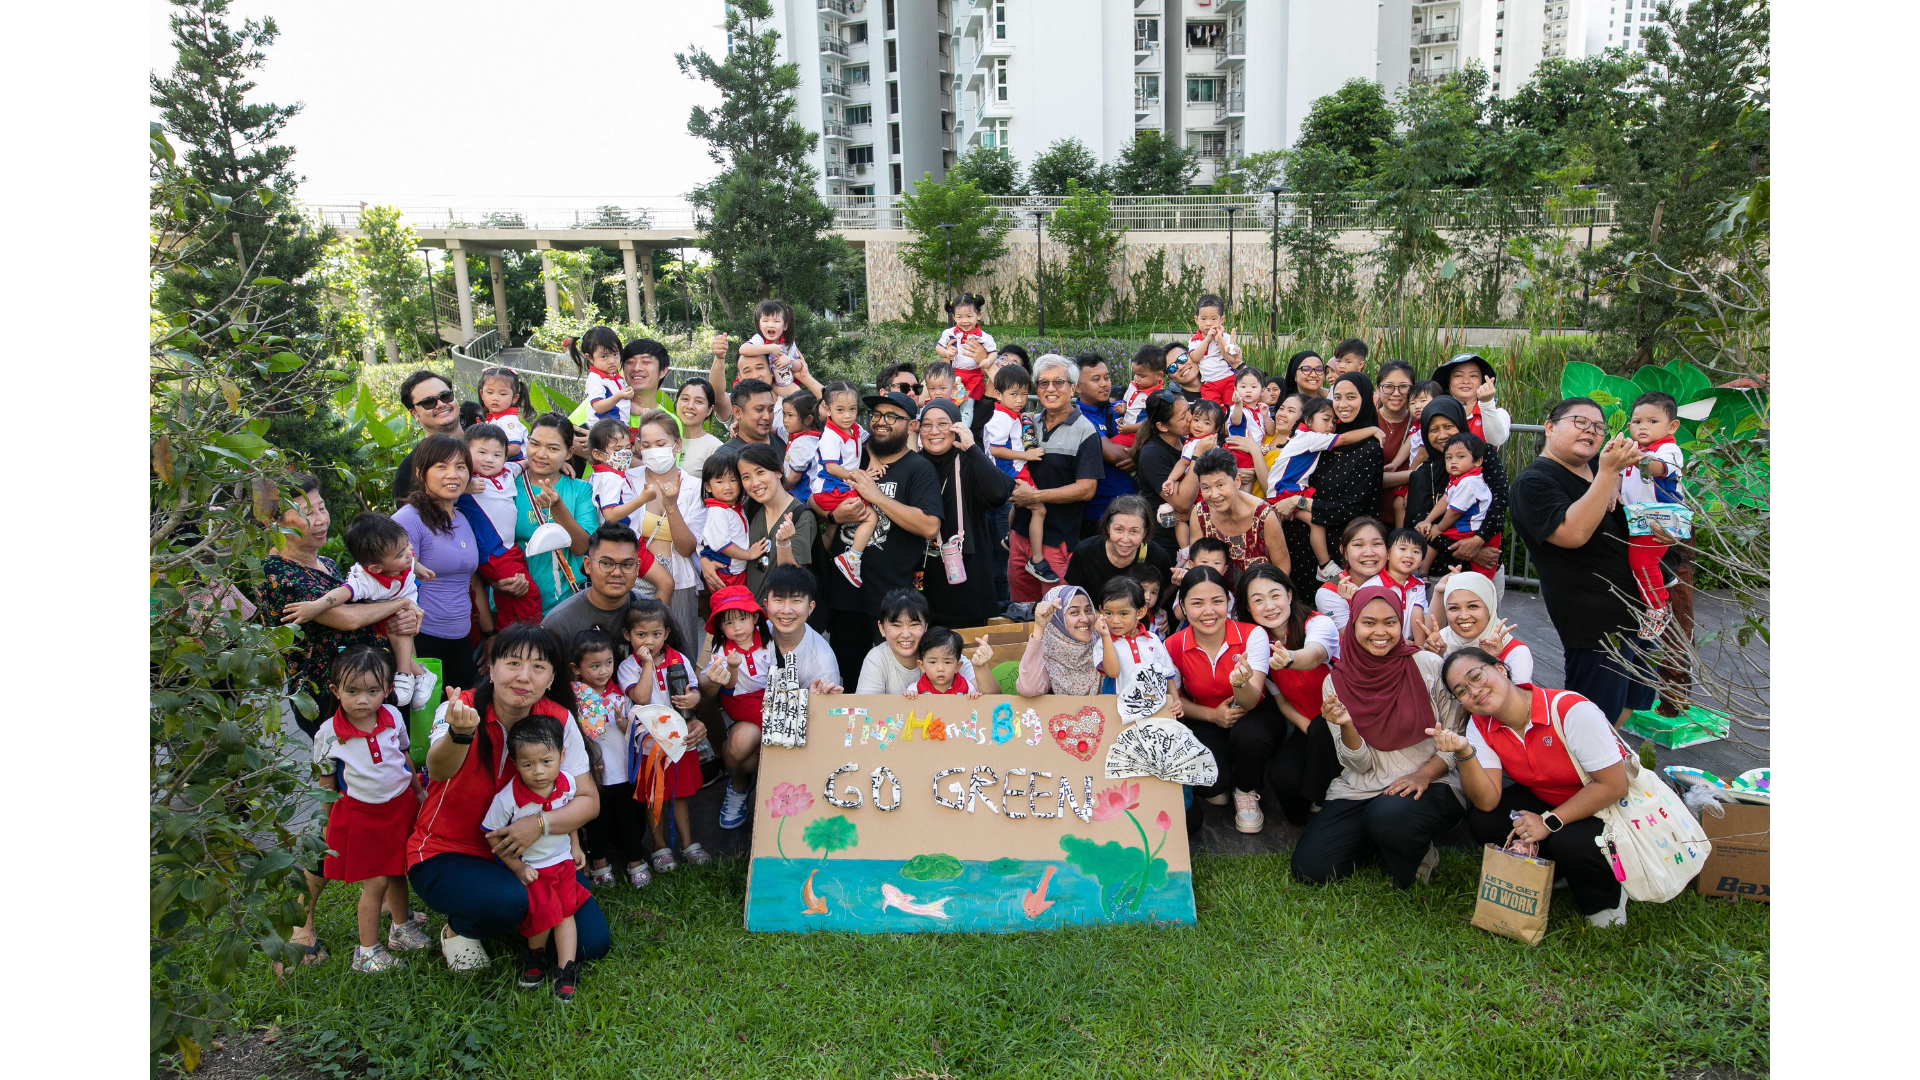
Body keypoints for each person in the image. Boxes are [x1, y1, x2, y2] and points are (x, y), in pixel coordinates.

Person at [408, 624, 625, 972]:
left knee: (590, 944)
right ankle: (460, 928)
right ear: (491, 668)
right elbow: (438, 770)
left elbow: (588, 800)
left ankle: (515, 910)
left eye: (538, 666)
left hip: (537, 854)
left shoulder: (558, 718)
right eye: (512, 663)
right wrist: (460, 734)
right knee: (509, 903)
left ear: (552, 677)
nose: (524, 677)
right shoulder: (461, 707)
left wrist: (539, 824)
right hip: (450, 849)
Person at [1436, 647, 1633, 927]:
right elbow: (1487, 801)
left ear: (1501, 669)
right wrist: (1463, 752)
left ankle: (1607, 895)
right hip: (1551, 799)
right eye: (1462, 691)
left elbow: (1614, 785)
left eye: (1477, 676)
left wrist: (1548, 821)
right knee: (1486, 821)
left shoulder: (1569, 709)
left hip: (1608, 807)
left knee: (1569, 839)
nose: (1474, 691)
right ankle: (1562, 870)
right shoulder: (1480, 725)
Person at [1290, 587, 1464, 889]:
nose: (1380, 632)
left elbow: (1456, 740)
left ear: (1401, 623)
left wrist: (1423, 775)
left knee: (1388, 817)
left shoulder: (1428, 666)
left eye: (1390, 622)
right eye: (1369, 622)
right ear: (1353, 624)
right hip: (1363, 786)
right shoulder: (1337, 681)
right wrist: (1346, 725)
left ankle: (1415, 846)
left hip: (1432, 781)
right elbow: (1357, 763)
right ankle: (1380, 836)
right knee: (1312, 869)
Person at [1509, 397, 1658, 724]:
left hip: (1638, 610)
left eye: (1598, 427)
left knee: (1631, 699)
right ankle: (1581, 773)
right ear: (1549, 427)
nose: (1591, 430)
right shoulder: (1533, 482)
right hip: (1594, 620)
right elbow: (1572, 533)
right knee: (1589, 718)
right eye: (1580, 422)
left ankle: (1610, 765)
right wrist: (1608, 473)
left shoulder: (1598, 472)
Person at [262, 475, 420, 732]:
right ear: (273, 523)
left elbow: (369, 605)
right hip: (330, 695)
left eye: (321, 508)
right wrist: (401, 602)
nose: (321, 519)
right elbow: (348, 618)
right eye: (307, 513)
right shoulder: (277, 572)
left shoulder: (327, 563)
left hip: (369, 685)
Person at [309, 646, 426, 974]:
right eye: (353, 691)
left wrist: (418, 793)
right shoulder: (328, 734)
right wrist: (325, 820)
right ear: (335, 691)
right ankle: (367, 952)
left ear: (388, 690)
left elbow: (404, 757)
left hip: (400, 807)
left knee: (399, 870)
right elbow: (327, 780)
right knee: (375, 885)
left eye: (373, 691)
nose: (363, 700)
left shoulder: (393, 718)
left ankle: (401, 929)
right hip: (362, 817)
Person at [821, 391, 945, 685]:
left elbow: (930, 526)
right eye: (877, 415)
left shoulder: (919, 469)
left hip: (890, 602)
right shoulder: (854, 458)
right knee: (847, 680)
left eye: (892, 416)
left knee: (891, 685)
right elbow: (817, 495)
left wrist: (875, 496)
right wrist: (834, 516)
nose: (880, 422)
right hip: (844, 596)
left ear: (910, 425)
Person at [717, 566, 843, 830]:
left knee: (780, 753)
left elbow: (822, 726)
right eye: (779, 600)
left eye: (796, 601)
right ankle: (740, 786)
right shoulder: (747, 630)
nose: (786, 610)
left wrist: (818, 700)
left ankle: (787, 797)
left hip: (799, 734)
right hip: (755, 719)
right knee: (739, 742)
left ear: (811, 607)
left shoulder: (822, 661)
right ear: (765, 604)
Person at [279, 511, 437, 708]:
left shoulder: (397, 558)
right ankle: (414, 674)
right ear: (376, 568)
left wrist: (417, 568)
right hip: (382, 617)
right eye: (309, 512)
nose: (409, 552)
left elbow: (409, 559)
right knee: (395, 625)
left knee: (398, 626)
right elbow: (341, 595)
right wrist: (315, 606)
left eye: (321, 507)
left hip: (396, 614)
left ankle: (408, 673)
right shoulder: (366, 580)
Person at [482, 715, 590, 1000]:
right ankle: (534, 957)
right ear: (515, 763)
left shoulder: (566, 782)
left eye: (546, 761)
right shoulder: (508, 799)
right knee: (541, 917)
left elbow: (569, 819)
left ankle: (566, 969)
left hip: (564, 864)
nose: (539, 771)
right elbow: (493, 835)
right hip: (533, 869)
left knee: (566, 914)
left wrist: (576, 846)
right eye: (528, 764)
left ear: (562, 755)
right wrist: (517, 867)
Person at [1237, 565, 1342, 828]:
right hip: (1308, 725)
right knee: (1283, 779)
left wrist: (1290, 658)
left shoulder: (1318, 623)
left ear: (1290, 595)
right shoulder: (1257, 641)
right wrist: (1307, 727)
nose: (1269, 606)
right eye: (1258, 600)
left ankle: (1333, 806)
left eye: (1275, 595)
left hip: (1343, 721)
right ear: (1248, 608)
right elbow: (1281, 699)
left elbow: (1315, 654)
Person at [616, 598, 709, 872]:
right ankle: (659, 847)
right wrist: (647, 664)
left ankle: (688, 843)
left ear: (666, 634)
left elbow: (693, 691)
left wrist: (694, 700)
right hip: (649, 743)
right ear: (627, 635)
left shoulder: (678, 659)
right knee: (654, 795)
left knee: (680, 794)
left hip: (679, 738)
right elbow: (641, 697)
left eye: (656, 634)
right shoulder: (628, 667)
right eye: (641, 635)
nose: (649, 641)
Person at [1163, 567, 1266, 814]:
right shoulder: (1172, 645)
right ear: (1184, 608)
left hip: (1252, 714)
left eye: (1217, 601)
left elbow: (1251, 702)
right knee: (1213, 787)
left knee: (1251, 737)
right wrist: (1212, 716)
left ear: (1229, 603)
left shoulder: (1252, 635)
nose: (1209, 612)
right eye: (1197, 603)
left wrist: (1240, 683)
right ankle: (1228, 777)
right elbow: (1175, 702)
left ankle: (1246, 789)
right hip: (1203, 715)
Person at [391, 435, 482, 688]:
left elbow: (470, 580)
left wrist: (489, 632)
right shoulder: (408, 519)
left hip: (462, 638)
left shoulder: (462, 517)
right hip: (423, 638)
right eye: (441, 466)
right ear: (421, 473)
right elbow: (396, 582)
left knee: (459, 718)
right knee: (427, 723)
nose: (453, 474)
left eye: (460, 467)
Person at [916, 397, 1015, 629]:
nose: (934, 431)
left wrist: (972, 448)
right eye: (927, 425)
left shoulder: (969, 461)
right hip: (922, 577)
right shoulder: (914, 465)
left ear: (957, 427)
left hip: (967, 579)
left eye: (943, 424)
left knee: (968, 654)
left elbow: (999, 494)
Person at [568, 629, 649, 889]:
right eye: (594, 666)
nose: (603, 671)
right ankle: (600, 863)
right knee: (596, 820)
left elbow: (631, 731)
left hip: (623, 770)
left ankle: (635, 860)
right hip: (592, 774)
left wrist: (624, 723)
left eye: (608, 663)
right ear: (576, 668)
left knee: (630, 818)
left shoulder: (620, 694)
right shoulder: (574, 700)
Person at [1404, 396, 1508, 591]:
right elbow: (1417, 522)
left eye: (1449, 426)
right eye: (1434, 430)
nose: (1442, 435)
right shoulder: (1424, 473)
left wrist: (1478, 541)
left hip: (1487, 560)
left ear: (1460, 424)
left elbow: (1500, 502)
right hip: (1440, 572)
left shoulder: (1482, 456)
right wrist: (1468, 550)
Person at [627, 410, 706, 642]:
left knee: (681, 649)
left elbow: (687, 548)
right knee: (638, 647)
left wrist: (672, 507)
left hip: (680, 578)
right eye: (647, 445)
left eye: (661, 443)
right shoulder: (627, 480)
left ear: (677, 444)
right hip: (636, 576)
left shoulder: (695, 487)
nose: (653, 451)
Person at [540, 523, 674, 660]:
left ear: (637, 567)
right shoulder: (559, 624)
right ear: (587, 565)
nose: (617, 572)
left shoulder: (657, 617)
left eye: (627, 565)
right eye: (606, 563)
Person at [514, 413, 599, 618]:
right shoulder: (509, 486)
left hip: (566, 606)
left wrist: (557, 506)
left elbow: (581, 546)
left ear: (569, 452)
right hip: (516, 603)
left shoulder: (580, 490)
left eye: (553, 448)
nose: (541, 454)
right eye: (535, 444)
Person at [1305, 372, 1387, 585]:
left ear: (1367, 399)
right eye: (1338, 397)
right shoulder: (1326, 437)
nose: (1342, 404)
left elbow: (1352, 509)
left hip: (1338, 550)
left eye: (1351, 397)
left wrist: (1299, 503)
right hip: (1302, 543)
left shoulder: (1370, 449)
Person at [462, 423, 542, 632]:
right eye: (482, 452)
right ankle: (532, 636)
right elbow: (438, 489)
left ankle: (507, 635)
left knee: (508, 596)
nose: (490, 459)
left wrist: (559, 464)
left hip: (509, 548)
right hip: (492, 551)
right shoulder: (466, 479)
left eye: (497, 454)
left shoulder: (507, 472)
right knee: (528, 592)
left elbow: (525, 463)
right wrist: (464, 488)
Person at [1620, 390, 1686, 637]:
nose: (1643, 427)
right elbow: (1618, 476)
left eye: (1652, 421)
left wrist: (1633, 457)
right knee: (1640, 559)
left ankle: (1657, 608)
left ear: (1672, 426)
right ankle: (1664, 578)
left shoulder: (1667, 449)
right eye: (1637, 422)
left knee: (1642, 561)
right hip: (1636, 516)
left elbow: (1658, 470)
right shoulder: (1633, 448)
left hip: (1660, 516)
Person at [983, 363, 1054, 585]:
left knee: (1019, 505)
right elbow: (995, 449)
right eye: (1013, 394)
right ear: (998, 394)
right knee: (1039, 508)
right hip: (1010, 472)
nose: (1019, 400)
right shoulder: (1001, 417)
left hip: (1012, 470)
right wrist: (1027, 456)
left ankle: (1009, 537)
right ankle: (1037, 559)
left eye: (1024, 394)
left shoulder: (1008, 413)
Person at [854, 589, 996, 694]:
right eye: (896, 625)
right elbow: (867, 707)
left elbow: (993, 697)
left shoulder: (944, 651)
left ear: (926, 625)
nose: (906, 634)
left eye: (914, 624)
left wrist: (980, 666)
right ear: (882, 628)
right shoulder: (876, 659)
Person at [1419, 570, 1534, 686]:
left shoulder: (1516, 653)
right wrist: (1434, 660)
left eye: (1472, 606)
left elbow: (1520, 700)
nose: (1463, 616)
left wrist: (1489, 661)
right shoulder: (1440, 642)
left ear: (1489, 608)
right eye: (1454, 608)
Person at [813, 380, 877, 586]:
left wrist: (874, 461)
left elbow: (869, 443)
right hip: (831, 489)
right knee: (871, 516)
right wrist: (857, 477)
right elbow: (831, 467)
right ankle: (852, 559)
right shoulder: (831, 436)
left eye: (852, 409)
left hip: (839, 487)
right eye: (840, 410)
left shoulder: (854, 428)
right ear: (827, 409)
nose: (848, 415)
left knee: (832, 528)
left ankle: (821, 563)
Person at [1186, 448, 1287, 579]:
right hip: (1216, 594)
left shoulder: (1263, 515)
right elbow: (1197, 562)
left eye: (1220, 485)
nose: (1214, 494)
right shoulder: (1200, 514)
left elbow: (1282, 567)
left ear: (1237, 481)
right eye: (1206, 488)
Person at [736, 443, 817, 598]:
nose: (754, 483)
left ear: (779, 471)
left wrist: (783, 543)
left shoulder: (802, 516)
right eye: (746, 477)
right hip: (747, 613)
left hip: (778, 616)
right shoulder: (748, 509)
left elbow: (793, 578)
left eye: (760, 472)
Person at [1414, 432, 1498, 578]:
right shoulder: (1459, 479)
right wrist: (1428, 520)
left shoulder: (1468, 483)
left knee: (1434, 538)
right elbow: (1445, 499)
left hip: (1471, 528)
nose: (1453, 461)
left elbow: (1454, 512)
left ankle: (1422, 573)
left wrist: (1438, 528)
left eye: (1460, 457)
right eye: (1449, 457)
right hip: (1465, 526)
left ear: (1477, 461)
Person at [1065, 496, 1174, 603]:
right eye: (1119, 529)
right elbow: (1071, 593)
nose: (1125, 539)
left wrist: (1154, 611)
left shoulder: (1157, 556)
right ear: (1108, 528)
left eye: (1134, 531)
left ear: (1144, 533)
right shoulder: (1085, 552)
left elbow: (1167, 587)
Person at [1131, 390, 1196, 565]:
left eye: (1189, 411)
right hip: (1164, 539)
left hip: (1193, 531)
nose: (1190, 418)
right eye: (1183, 417)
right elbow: (1181, 503)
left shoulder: (1188, 441)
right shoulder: (1152, 454)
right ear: (1162, 426)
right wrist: (1197, 458)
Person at [1075, 352, 1136, 537]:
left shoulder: (1120, 409)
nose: (1104, 384)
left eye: (1107, 378)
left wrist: (1140, 456)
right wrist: (1142, 455)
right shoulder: (1078, 418)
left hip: (1132, 509)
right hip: (1098, 514)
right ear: (1077, 387)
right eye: (1096, 379)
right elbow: (1114, 455)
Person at [1095, 577, 1178, 711]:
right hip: (1118, 712)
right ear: (1101, 610)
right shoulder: (1102, 643)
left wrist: (1175, 701)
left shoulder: (1153, 639)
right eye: (1108, 613)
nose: (1115, 620)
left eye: (1123, 613)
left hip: (1154, 709)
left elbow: (1167, 674)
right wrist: (1105, 637)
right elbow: (1113, 672)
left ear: (1140, 612)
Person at [1012, 585, 1105, 698]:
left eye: (1088, 610)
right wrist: (1039, 627)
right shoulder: (1047, 652)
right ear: (1057, 619)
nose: (1085, 619)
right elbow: (1028, 689)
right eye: (1074, 612)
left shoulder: (1102, 643)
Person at [393, 371, 463, 502]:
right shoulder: (411, 468)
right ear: (414, 414)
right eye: (429, 402)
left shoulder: (489, 440)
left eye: (446, 396)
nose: (441, 404)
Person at [1315, 517, 1391, 630]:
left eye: (1377, 544)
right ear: (1344, 552)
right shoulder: (1329, 593)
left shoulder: (1402, 580)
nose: (1369, 553)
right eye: (1358, 545)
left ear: (1388, 550)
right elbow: (1352, 639)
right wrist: (1358, 600)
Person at [698, 451, 757, 591]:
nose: (728, 486)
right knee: (732, 610)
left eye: (733, 480)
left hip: (735, 570)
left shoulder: (733, 507)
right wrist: (748, 554)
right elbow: (721, 544)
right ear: (708, 487)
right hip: (726, 573)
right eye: (720, 481)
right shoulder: (718, 511)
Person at [1430, 353, 1511, 448]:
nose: (1465, 381)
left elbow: (1496, 441)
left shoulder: (1498, 413)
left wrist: (1487, 403)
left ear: (1482, 382)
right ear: (1448, 381)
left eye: (1473, 376)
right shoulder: (1435, 412)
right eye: (1458, 376)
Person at [1373, 360, 1418, 523]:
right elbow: (1366, 478)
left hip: (1413, 514)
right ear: (1378, 388)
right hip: (1372, 516)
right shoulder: (1368, 422)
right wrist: (1417, 475)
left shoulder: (1422, 423)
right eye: (1389, 386)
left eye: (1404, 387)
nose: (1396, 393)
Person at [935, 292, 998, 400]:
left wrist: (989, 360)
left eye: (969, 316)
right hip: (955, 374)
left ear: (978, 315)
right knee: (952, 401)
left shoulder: (984, 337)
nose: (964, 321)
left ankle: (964, 417)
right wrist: (946, 353)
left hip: (973, 376)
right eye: (959, 317)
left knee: (968, 403)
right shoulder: (950, 333)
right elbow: (938, 347)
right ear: (954, 317)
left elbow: (993, 353)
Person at [572, 326, 633, 427]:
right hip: (603, 431)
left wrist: (643, 411)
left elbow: (622, 406)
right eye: (604, 356)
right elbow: (598, 407)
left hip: (616, 428)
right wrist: (618, 396)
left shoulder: (614, 376)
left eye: (615, 354)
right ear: (590, 358)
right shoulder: (595, 379)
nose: (612, 361)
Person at [1187, 294, 1243, 405]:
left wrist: (1219, 339)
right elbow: (1195, 358)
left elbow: (1228, 357)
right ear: (1196, 319)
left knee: (1231, 406)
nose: (1208, 323)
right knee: (1212, 409)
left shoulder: (1225, 337)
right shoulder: (1194, 340)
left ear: (1221, 319)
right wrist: (1207, 340)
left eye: (1213, 319)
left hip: (1228, 379)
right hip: (1209, 383)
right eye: (1203, 319)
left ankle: (1229, 422)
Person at [1114, 344, 1168, 449]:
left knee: (1107, 447)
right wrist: (1123, 407)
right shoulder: (1133, 385)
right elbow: (1126, 401)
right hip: (1126, 430)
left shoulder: (1157, 396)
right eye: (1135, 374)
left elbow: (1150, 421)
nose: (1137, 379)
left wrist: (1131, 428)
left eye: (1142, 376)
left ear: (1159, 376)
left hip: (1139, 435)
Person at [904, 627, 982, 698]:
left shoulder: (967, 688)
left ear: (957, 666)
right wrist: (910, 698)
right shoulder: (915, 690)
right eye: (933, 662)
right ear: (922, 666)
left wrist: (973, 697)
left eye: (947, 662)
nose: (940, 669)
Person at [721, 378, 787, 458]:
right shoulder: (726, 457)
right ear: (737, 412)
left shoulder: (786, 441)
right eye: (759, 410)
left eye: (771, 410)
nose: (767, 417)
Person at [476, 366, 532, 460]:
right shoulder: (493, 418)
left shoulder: (508, 421)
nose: (495, 398)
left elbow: (514, 448)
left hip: (513, 466)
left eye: (502, 394)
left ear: (514, 398)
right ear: (482, 394)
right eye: (490, 392)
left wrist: (488, 456)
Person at [674, 377, 724, 480]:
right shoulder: (663, 439)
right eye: (685, 399)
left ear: (709, 410)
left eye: (698, 401)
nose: (690, 406)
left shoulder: (715, 448)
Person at [1163, 340, 1206, 404]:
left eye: (1182, 358)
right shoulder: (1179, 405)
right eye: (1172, 367)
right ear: (1169, 377)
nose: (1180, 367)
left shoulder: (1222, 382)